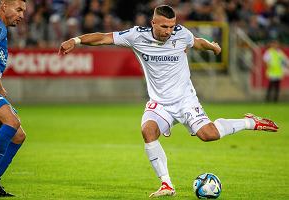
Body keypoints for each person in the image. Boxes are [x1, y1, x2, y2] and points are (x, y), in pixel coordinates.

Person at [59, 5, 279, 198]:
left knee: (209, 135)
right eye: (164, 27)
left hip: (185, 100)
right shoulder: (137, 36)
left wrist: (211, 46)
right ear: (153, 22)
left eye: (172, 26)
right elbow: (104, 37)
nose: (169, 31)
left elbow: (197, 42)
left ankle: (250, 122)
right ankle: (166, 184)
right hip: (160, 103)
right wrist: (76, 40)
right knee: (148, 131)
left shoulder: (181, 34)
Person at [0, 0, 27, 197]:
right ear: (3, 5)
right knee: (11, 121)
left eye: (23, 11)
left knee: (18, 134)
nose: (21, 15)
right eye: (18, 9)